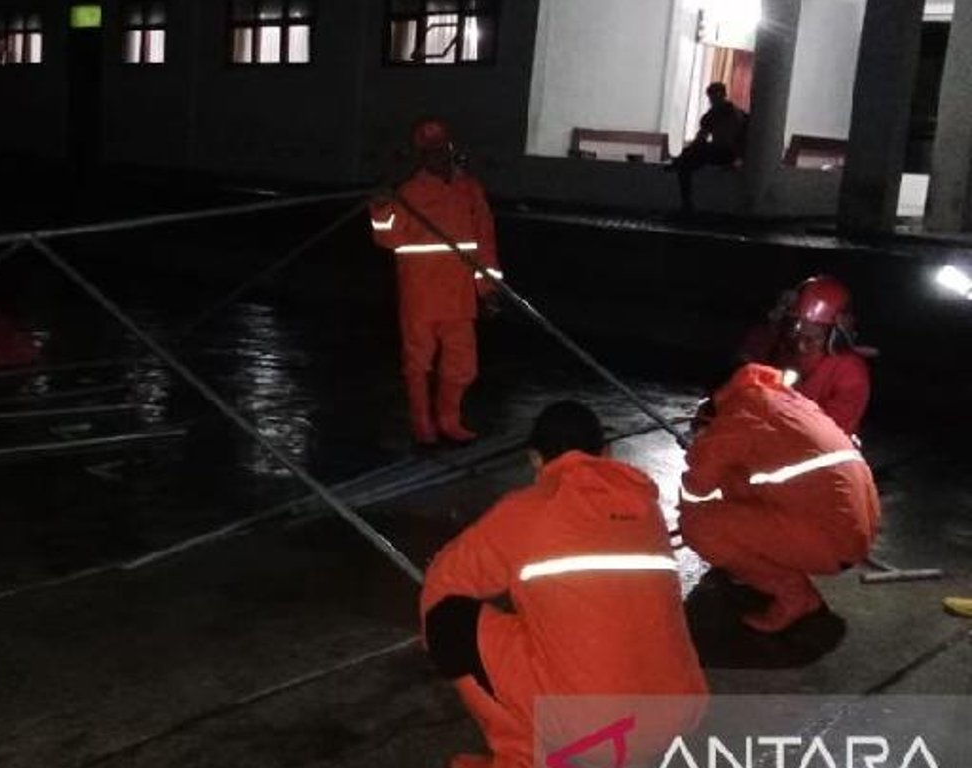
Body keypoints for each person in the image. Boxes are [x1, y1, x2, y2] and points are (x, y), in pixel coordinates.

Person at [421, 401, 706, 768]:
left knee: (447, 621)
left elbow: (443, 583)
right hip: (677, 715)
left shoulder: (525, 511)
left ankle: (522, 757)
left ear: (535, 459)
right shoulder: (646, 507)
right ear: (606, 452)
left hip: (596, 732)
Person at [679, 364, 881, 633]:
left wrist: (703, 444)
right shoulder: (785, 402)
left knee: (698, 526)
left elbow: (696, 490)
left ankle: (795, 596)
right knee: (735, 475)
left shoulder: (738, 417)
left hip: (830, 540)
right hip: (852, 531)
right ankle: (755, 563)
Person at [369, 118, 500, 445]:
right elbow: (386, 239)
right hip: (421, 296)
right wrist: (381, 207)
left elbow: (485, 243)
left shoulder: (470, 191)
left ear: (451, 149)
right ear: (420, 156)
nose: (437, 156)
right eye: (429, 151)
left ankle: (449, 421)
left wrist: (488, 289)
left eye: (441, 149)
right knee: (418, 363)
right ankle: (423, 426)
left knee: (462, 365)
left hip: (459, 297)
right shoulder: (408, 193)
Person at [739, 276, 873, 436]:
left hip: (819, 446)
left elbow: (832, 430)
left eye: (813, 332)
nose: (800, 340)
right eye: (796, 325)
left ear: (835, 333)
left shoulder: (850, 370)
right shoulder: (780, 348)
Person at [670, 82, 747, 213]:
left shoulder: (735, 115)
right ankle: (686, 201)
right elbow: (701, 137)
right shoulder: (713, 115)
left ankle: (686, 202)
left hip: (728, 154)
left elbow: (738, 141)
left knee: (688, 160)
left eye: (716, 97)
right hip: (720, 151)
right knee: (687, 162)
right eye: (712, 98)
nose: (713, 101)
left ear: (723, 96)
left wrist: (739, 159)